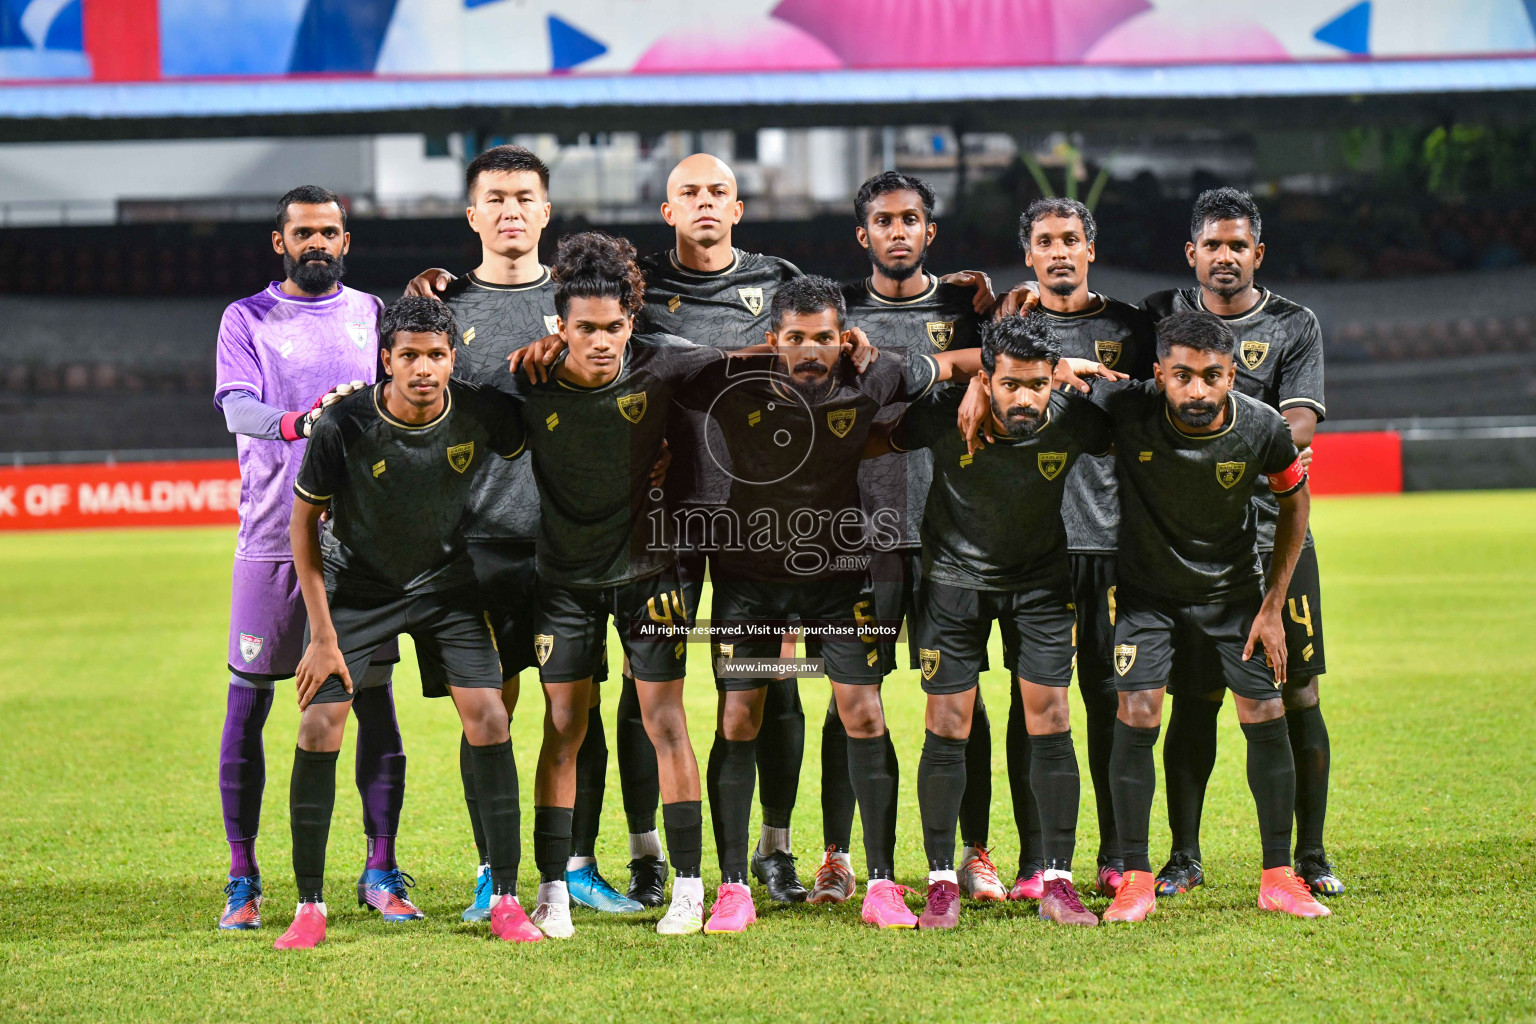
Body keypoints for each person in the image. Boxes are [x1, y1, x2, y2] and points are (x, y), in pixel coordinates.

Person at [674, 274, 984, 933]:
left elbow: (965, 360)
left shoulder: (873, 375)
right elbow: (651, 359)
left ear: (845, 338)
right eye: (795, 339)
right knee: (738, 719)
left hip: (841, 578)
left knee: (863, 714)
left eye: (823, 338)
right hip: (748, 579)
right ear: (772, 339)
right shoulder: (732, 381)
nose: (810, 351)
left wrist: (995, 377)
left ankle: (879, 885)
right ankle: (732, 888)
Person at [405, 145, 640, 918]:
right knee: (491, 712)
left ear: (546, 212)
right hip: (473, 546)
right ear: (472, 216)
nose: (511, 210)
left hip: (571, 544)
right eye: (496, 198)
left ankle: (574, 865)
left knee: (576, 711)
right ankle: (492, 871)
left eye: (525, 197)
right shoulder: (441, 313)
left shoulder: (582, 307)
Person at [275, 296, 542, 949]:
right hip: (357, 587)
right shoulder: (345, 422)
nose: (423, 368)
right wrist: (323, 636)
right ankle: (309, 906)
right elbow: (302, 528)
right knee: (318, 724)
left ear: (452, 358)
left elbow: (550, 431)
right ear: (386, 360)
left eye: (436, 355)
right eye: (409, 356)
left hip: (446, 585)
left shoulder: (481, 411)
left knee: (489, 716)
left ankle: (506, 898)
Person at [504, 232, 728, 937]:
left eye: (614, 327)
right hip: (563, 581)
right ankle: (553, 891)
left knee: (666, 722)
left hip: (649, 576)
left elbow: (761, 367)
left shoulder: (665, 368)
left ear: (633, 319)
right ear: (559, 327)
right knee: (563, 728)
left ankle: (690, 888)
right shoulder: (528, 381)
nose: (600, 342)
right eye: (584, 329)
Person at [212, 185, 413, 931]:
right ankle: (242, 875)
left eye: (330, 231)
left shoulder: (371, 314)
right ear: (280, 242)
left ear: (346, 240)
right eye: (304, 233)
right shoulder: (247, 319)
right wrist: (303, 422)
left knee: (375, 702)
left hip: (361, 545)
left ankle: (380, 866)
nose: (318, 243)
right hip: (270, 538)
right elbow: (237, 408)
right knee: (249, 703)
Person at [1089, 310, 1330, 923]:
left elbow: (1294, 500)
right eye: (1182, 375)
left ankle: (1279, 876)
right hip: (1148, 595)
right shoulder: (1128, 408)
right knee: (1138, 710)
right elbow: (1049, 392)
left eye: (1211, 376)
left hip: (1233, 594)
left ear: (1231, 376)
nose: (1196, 390)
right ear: (1159, 373)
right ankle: (1136, 878)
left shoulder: (1262, 426)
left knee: (1266, 709)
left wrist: (1273, 606)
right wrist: (1061, 367)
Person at [875, 312, 1111, 929]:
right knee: (947, 722)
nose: (1025, 398)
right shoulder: (946, 413)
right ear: (987, 378)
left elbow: (1140, 429)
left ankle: (1057, 881)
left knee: (1052, 717)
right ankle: (940, 882)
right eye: (1010, 384)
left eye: (1038, 384)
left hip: (1039, 584)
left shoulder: (1074, 418)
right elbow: (875, 433)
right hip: (953, 585)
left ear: (1053, 380)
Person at [1141, 188, 1339, 898]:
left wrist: (1223, 438)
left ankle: (1310, 857)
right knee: (1193, 697)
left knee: (1299, 693)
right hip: (1190, 542)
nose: (1225, 257)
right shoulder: (1159, 317)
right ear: (1191, 252)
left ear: (1257, 253)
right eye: (1212, 245)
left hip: (1273, 535)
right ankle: (1184, 856)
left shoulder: (1294, 324)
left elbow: (1297, 432)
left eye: (1238, 245)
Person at [813, 170, 1003, 905]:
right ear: (864, 235)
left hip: (951, 531)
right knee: (847, 700)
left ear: (931, 231)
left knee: (963, 697)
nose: (899, 231)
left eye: (911, 219)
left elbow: (1008, 356)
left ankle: (975, 849)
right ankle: (836, 853)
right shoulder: (835, 311)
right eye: (884, 221)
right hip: (856, 537)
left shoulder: (967, 308)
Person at [1002, 197, 1156, 902]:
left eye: (1071, 239)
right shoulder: (1007, 329)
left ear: (1090, 248)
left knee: (1108, 697)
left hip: (1110, 540)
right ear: (1029, 254)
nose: (1059, 251)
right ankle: (1035, 857)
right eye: (1045, 241)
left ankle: (1117, 851)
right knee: (1030, 699)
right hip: (1031, 543)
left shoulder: (1133, 328)